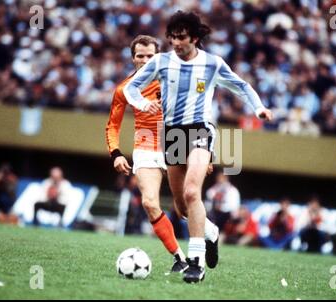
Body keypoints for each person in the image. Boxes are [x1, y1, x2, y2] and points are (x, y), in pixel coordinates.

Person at [123, 11, 273, 283]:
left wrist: (259, 108)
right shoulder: (161, 62)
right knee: (181, 206)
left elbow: (242, 86)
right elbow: (130, 89)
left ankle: (196, 263)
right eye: (172, 38)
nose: (175, 43)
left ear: (194, 37)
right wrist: (144, 104)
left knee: (193, 192)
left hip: (201, 130)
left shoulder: (212, 64)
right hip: (172, 135)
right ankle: (211, 232)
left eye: (181, 38)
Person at [106, 35, 188, 273]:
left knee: (185, 207)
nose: (144, 60)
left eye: (149, 56)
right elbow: (113, 125)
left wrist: (202, 150)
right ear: (133, 58)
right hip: (145, 145)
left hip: (174, 142)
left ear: (158, 56)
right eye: (139, 55)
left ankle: (209, 237)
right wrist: (116, 154)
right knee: (150, 202)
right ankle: (180, 258)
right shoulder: (123, 89)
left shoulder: (174, 76)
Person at [206, 170, 240, 244]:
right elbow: (208, 203)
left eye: (222, 177)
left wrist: (221, 208)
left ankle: (218, 238)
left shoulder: (232, 190)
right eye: (219, 177)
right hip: (214, 214)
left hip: (227, 215)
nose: (220, 179)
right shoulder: (213, 190)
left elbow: (233, 207)